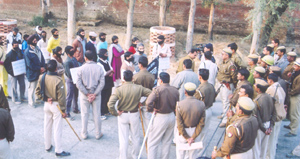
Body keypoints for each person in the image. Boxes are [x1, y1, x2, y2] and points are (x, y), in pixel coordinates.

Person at [108, 70, 152, 159]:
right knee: (135, 137)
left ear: (123, 78)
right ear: (132, 78)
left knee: (123, 138)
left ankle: (123, 157)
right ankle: (135, 156)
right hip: (134, 114)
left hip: (122, 114)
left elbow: (110, 104)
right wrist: (142, 103)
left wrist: (115, 113)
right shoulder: (139, 88)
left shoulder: (119, 89)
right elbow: (152, 94)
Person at [35, 60, 70, 157]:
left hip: (47, 104)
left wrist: (45, 98)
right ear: (55, 69)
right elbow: (62, 98)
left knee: (47, 126)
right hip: (56, 105)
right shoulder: (58, 80)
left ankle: (47, 146)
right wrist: (63, 111)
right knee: (57, 129)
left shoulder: (42, 77)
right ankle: (58, 150)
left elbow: (37, 92)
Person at [146, 72, 179, 159]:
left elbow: (148, 102)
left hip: (160, 116)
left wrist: (151, 109)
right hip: (171, 116)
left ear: (160, 80)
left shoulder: (157, 90)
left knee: (153, 142)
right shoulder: (175, 90)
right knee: (167, 142)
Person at [76, 50, 105, 140]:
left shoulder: (81, 69)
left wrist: (87, 93)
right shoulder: (99, 68)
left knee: (84, 114)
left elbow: (78, 83)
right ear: (93, 57)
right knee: (97, 114)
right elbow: (102, 83)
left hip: (85, 95)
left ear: (85, 57)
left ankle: (84, 133)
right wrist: (94, 94)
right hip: (96, 94)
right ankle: (98, 133)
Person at [176, 82, 206, 159]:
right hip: (195, 130)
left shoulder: (180, 104)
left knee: (180, 154)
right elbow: (201, 123)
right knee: (193, 155)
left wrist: (186, 137)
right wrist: (193, 137)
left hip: (183, 132)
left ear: (185, 92)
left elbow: (179, 123)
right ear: (195, 92)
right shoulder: (201, 104)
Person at [252, 78, 276, 159]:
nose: (254, 86)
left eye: (255, 85)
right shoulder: (270, 98)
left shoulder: (257, 100)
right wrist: (270, 127)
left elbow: (257, 117)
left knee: (256, 148)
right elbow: (274, 114)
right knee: (264, 148)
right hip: (268, 124)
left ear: (258, 89)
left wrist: (263, 129)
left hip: (260, 126)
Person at [194, 69, 216, 156]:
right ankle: (203, 153)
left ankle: (198, 154)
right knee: (205, 133)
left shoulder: (200, 89)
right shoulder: (211, 86)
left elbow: (195, 102)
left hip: (202, 111)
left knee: (198, 133)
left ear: (200, 77)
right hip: (209, 109)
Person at [266, 73, 286, 159]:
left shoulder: (271, 89)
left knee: (270, 141)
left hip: (274, 117)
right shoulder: (281, 88)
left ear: (270, 80)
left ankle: (269, 157)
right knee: (274, 140)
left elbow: (268, 104)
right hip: (280, 116)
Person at [216, 48, 237, 127]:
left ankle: (225, 120)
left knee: (226, 102)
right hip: (221, 83)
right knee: (223, 101)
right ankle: (224, 115)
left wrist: (233, 85)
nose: (222, 55)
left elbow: (234, 76)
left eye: (223, 54)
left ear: (227, 55)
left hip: (227, 85)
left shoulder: (230, 65)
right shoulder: (222, 62)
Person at [133, 56, 155, 128]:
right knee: (147, 120)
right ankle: (148, 136)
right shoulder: (152, 76)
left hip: (137, 101)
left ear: (140, 65)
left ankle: (133, 137)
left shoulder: (136, 76)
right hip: (147, 100)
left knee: (135, 120)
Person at [24, 35, 46, 108]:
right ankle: (31, 102)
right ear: (30, 42)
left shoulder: (38, 49)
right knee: (31, 88)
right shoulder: (27, 52)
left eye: (36, 40)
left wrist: (43, 67)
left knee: (38, 86)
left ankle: (37, 99)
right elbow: (29, 64)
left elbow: (42, 58)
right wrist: (39, 68)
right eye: (34, 40)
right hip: (32, 73)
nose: (35, 41)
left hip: (39, 72)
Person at [4, 40, 26, 104]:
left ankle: (22, 96)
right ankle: (15, 99)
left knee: (22, 85)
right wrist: (10, 72)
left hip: (20, 72)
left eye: (17, 44)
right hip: (13, 73)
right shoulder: (9, 54)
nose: (16, 45)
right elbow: (6, 64)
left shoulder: (20, 52)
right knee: (14, 87)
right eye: (15, 44)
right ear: (12, 45)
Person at [284, 58, 300, 137]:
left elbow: (298, 89)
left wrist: (290, 92)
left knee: (295, 113)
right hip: (293, 94)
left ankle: (293, 131)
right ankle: (291, 125)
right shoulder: (296, 73)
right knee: (291, 111)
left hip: (296, 95)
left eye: (295, 65)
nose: (294, 66)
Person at [63, 46, 80, 118]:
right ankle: (67, 111)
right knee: (69, 96)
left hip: (75, 79)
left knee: (76, 95)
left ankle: (75, 108)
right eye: (71, 50)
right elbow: (68, 73)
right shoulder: (67, 62)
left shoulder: (73, 59)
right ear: (67, 52)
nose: (73, 51)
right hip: (70, 80)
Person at [97, 49, 114, 120]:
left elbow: (112, 69)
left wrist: (111, 72)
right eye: (106, 54)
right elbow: (104, 73)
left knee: (108, 97)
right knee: (103, 98)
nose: (107, 55)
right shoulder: (99, 63)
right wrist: (110, 71)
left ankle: (106, 110)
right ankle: (101, 113)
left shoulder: (107, 62)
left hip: (109, 82)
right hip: (103, 83)